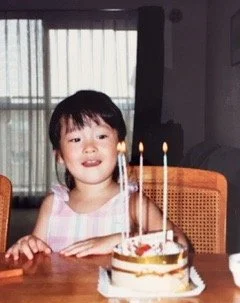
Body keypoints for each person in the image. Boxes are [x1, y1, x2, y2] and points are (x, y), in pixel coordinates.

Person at [5, 90, 187, 260]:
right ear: (59, 155)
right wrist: (28, 245)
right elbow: (36, 258)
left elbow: (180, 243)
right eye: (76, 139)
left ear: (120, 147)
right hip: (63, 295)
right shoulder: (52, 205)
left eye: (101, 136)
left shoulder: (132, 203)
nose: (90, 147)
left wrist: (123, 240)